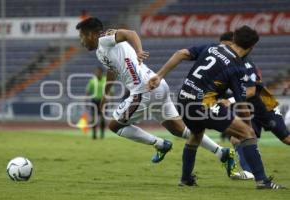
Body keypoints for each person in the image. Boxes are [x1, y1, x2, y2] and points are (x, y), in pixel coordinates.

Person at [76, 17, 235, 173]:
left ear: (91, 34)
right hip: (157, 85)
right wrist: (106, 95)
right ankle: (222, 152)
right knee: (179, 129)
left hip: (143, 89)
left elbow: (130, 33)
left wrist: (139, 51)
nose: (81, 41)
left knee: (114, 126)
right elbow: (112, 70)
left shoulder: (104, 38)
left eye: (81, 36)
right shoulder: (101, 51)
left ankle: (160, 144)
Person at [148, 26, 285, 189]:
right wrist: (247, 129)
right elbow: (242, 103)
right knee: (247, 134)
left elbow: (181, 53)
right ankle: (262, 181)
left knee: (196, 135)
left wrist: (159, 75)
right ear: (252, 47)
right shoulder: (238, 67)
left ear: (234, 38)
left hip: (184, 99)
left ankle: (185, 179)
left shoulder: (213, 47)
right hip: (204, 105)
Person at [218, 31, 290, 180]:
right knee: (237, 137)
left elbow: (251, 91)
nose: (224, 50)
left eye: (227, 46)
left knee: (286, 139)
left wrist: (229, 101)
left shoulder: (246, 63)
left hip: (263, 107)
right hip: (246, 108)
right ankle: (249, 172)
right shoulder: (226, 62)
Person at [86, 66, 106, 139]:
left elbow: (110, 91)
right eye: (96, 72)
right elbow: (88, 92)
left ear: (101, 72)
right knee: (94, 119)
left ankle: (102, 134)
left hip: (103, 101)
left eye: (98, 72)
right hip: (94, 101)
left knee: (102, 119)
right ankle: (94, 134)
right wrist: (86, 101)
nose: (97, 73)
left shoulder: (106, 80)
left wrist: (110, 100)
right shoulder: (92, 81)